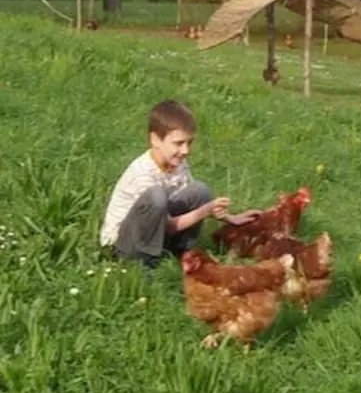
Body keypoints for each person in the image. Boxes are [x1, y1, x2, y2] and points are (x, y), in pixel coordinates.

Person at [99, 99, 257, 268]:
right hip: (125, 244)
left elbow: (191, 203)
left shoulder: (178, 164)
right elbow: (170, 225)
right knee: (157, 196)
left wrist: (230, 218)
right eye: (178, 143)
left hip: (156, 231)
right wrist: (205, 210)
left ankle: (181, 253)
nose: (185, 151)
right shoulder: (142, 174)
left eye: (189, 143)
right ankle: (144, 264)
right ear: (155, 140)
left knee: (199, 190)